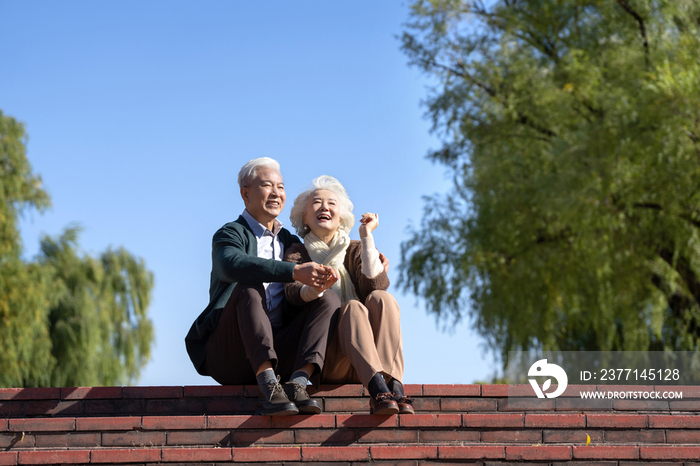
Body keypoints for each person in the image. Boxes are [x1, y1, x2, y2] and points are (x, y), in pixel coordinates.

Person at [185, 158, 341, 416]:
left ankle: (297, 384)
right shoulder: (230, 234)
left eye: (280, 187)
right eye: (267, 185)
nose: (276, 193)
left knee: (328, 299)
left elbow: (329, 247)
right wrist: (293, 271)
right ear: (245, 194)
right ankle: (268, 385)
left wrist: (370, 256)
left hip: (282, 349)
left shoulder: (291, 242)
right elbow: (232, 264)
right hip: (232, 353)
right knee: (248, 286)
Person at [284, 175, 413, 415]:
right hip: (332, 359)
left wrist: (366, 236)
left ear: (341, 216)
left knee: (382, 298)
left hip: (372, 357)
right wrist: (317, 288)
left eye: (332, 203)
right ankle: (378, 391)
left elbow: (376, 284)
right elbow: (292, 293)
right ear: (304, 216)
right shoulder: (298, 252)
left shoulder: (354, 248)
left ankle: (394, 385)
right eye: (317, 203)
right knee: (352, 307)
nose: (324, 207)